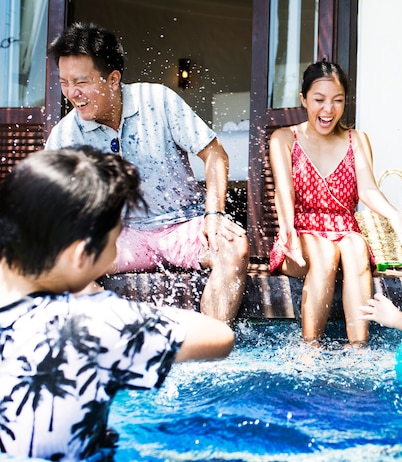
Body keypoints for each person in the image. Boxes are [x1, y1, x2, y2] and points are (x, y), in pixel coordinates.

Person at [0, 147, 235, 460]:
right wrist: (110, 307)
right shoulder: (94, 322)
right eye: (115, 241)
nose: (114, 253)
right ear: (81, 256)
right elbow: (219, 336)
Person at [45, 22, 249, 324]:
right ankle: (112, 345)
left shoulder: (158, 100)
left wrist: (214, 215)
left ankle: (210, 349)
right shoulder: (64, 136)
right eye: (64, 82)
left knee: (235, 246)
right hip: (122, 236)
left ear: (113, 79)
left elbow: (215, 153)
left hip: (183, 226)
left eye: (81, 82)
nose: (72, 94)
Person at [269, 61, 402, 346]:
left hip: (345, 232)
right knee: (324, 251)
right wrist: (286, 230)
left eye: (337, 101)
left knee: (355, 245)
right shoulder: (284, 139)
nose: (328, 110)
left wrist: (395, 215)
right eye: (319, 100)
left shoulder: (357, 139)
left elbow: (368, 190)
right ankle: (310, 349)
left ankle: (358, 350)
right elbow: (284, 191)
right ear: (303, 99)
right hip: (300, 234)